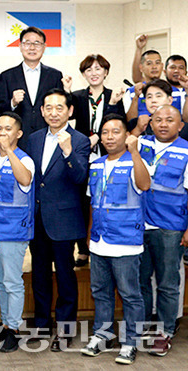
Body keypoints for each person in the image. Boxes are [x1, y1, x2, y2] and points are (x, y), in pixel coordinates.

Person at [81, 114, 149, 365]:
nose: (110, 137)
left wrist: (135, 153)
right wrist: (89, 234)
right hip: (99, 240)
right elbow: (93, 202)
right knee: (101, 291)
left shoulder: (136, 162)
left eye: (116, 132)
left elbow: (144, 185)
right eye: (105, 132)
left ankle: (131, 341)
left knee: (130, 294)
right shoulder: (96, 164)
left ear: (126, 135)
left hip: (125, 240)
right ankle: (103, 334)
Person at [26, 88, 90, 351]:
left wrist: (67, 152)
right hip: (37, 219)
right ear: (42, 111)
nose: (53, 112)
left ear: (70, 111)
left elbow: (80, 178)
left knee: (65, 277)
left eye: (59, 107)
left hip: (64, 221)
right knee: (39, 275)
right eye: (48, 107)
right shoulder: (33, 139)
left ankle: (65, 331)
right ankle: (41, 325)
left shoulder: (81, 140)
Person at [137, 105, 188, 356]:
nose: (163, 124)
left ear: (180, 125)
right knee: (141, 280)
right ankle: (145, 326)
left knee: (168, 283)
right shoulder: (140, 145)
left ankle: (165, 331)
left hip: (170, 226)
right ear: (151, 123)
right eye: (158, 119)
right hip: (138, 225)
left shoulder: (186, 151)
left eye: (170, 120)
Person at [69, 54, 126, 268]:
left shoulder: (115, 96)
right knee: (83, 203)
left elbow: (119, 123)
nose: (93, 73)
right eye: (88, 70)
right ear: (83, 74)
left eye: (98, 69)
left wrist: (112, 105)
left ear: (106, 72)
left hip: (107, 155)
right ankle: (83, 249)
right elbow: (66, 115)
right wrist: (66, 91)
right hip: (84, 157)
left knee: (106, 200)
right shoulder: (77, 96)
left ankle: (107, 241)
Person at [0, 111, 35, 353]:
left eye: (7, 129)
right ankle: (6, 324)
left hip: (14, 231)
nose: (2, 133)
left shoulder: (24, 159)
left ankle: (14, 329)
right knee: (0, 281)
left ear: (18, 133)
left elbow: (25, 180)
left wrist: (10, 152)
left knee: (13, 282)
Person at [0, 27, 64, 148]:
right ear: (20, 46)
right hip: (17, 140)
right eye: (27, 43)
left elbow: (62, 109)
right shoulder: (7, 76)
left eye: (37, 44)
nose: (32, 48)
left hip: (48, 139)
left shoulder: (55, 76)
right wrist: (12, 103)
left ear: (44, 47)